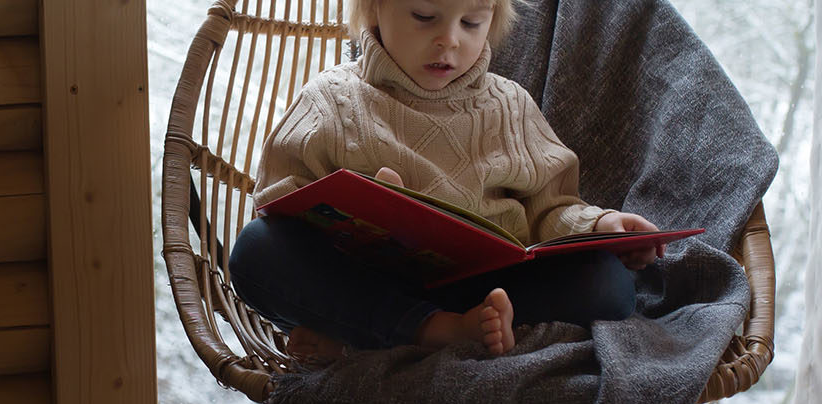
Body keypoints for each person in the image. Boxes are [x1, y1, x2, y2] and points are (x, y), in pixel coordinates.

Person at [228, 0, 667, 362]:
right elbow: (279, 206)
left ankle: (364, 340)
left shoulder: (510, 107)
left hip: (488, 289)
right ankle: (428, 330)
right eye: (424, 16)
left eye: (472, 22)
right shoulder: (331, 101)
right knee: (255, 251)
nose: (450, 40)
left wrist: (601, 225)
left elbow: (551, 209)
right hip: (367, 283)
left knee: (609, 285)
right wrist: (357, 210)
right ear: (375, 9)